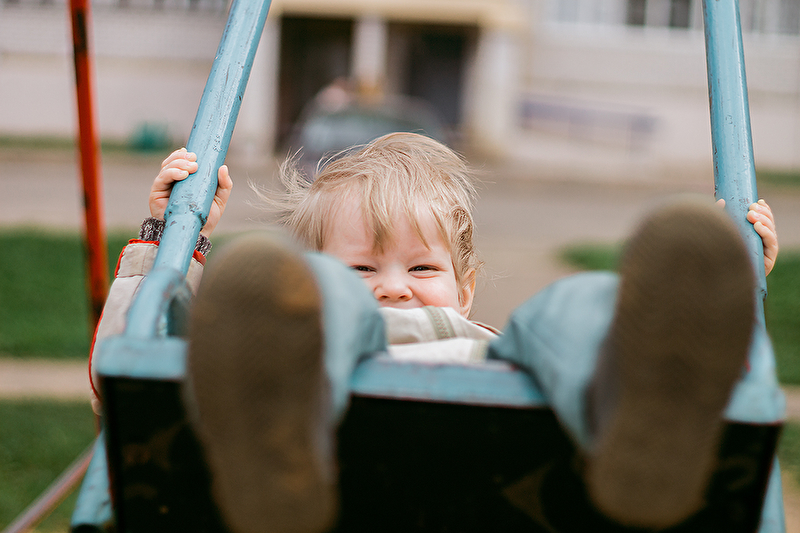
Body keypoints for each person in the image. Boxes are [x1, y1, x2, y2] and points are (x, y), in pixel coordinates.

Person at [90, 133, 781, 533]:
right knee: (322, 311)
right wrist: (167, 243)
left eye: (422, 267)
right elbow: (124, 388)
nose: (393, 286)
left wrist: (732, 289)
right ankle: (273, 427)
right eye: (360, 267)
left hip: (540, 448)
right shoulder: (307, 330)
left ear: (465, 288)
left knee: (575, 307)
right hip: (314, 420)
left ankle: (646, 411)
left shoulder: (497, 344)